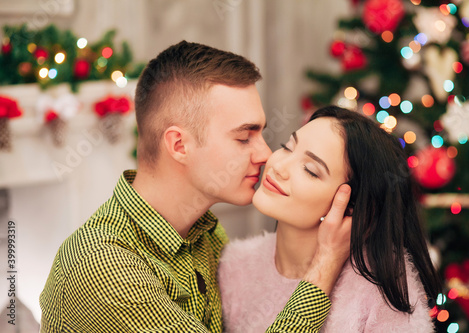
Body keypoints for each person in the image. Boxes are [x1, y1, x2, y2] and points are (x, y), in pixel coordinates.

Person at [39, 41, 352, 332]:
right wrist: (325, 265)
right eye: (244, 137)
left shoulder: (206, 234)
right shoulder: (103, 266)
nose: (266, 154)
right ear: (179, 145)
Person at [219, 105, 442, 332]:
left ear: (350, 208)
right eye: (287, 147)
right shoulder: (234, 266)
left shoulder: (380, 292)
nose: (278, 166)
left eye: (310, 169)